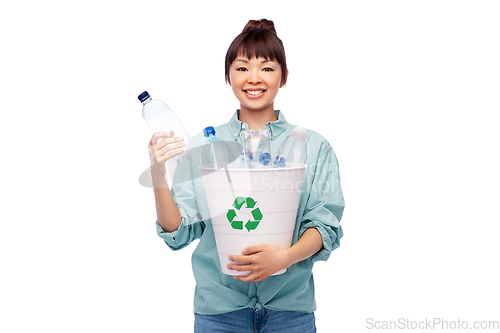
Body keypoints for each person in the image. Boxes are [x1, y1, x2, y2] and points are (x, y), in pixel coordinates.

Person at [148, 19, 344, 333]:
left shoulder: (313, 147)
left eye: (267, 68)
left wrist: (284, 258)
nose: (254, 78)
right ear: (228, 76)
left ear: (284, 77)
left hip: (289, 313)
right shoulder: (204, 146)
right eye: (242, 68)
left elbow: (324, 225)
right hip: (219, 314)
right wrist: (158, 171)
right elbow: (179, 231)